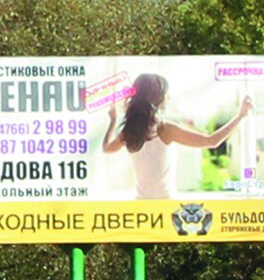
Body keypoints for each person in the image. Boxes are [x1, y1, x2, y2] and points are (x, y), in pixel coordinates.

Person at [102, 73, 253, 199]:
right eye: (166, 94)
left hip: (141, 206)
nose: (168, 97)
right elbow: (212, 141)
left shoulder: (129, 132)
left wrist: (113, 121)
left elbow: (107, 148)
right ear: (157, 97)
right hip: (167, 204)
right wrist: (240, 116)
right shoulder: (165, 130)